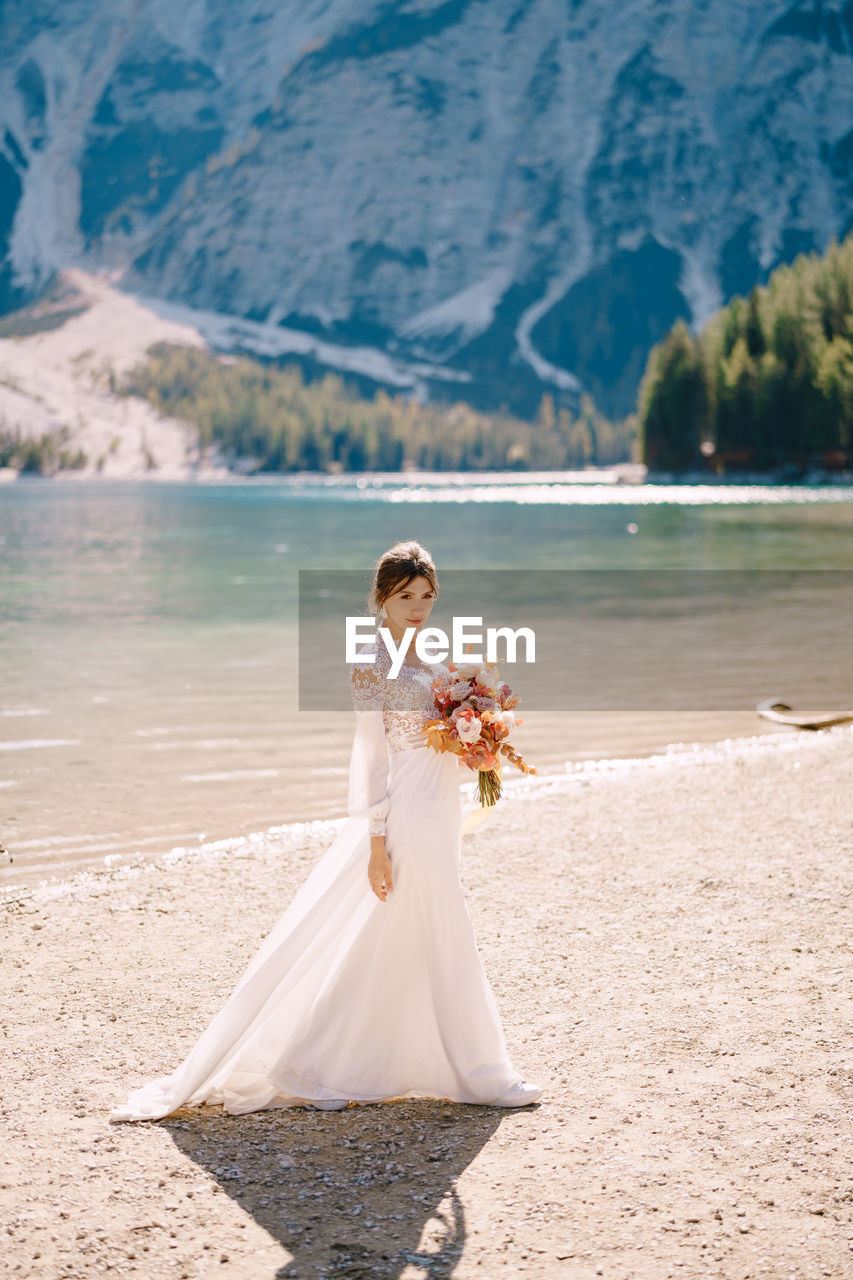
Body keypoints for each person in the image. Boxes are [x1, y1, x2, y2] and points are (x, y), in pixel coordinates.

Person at [110, 540, 541, 1121]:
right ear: (382, 599)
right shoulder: (371, 664)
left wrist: (476, 739)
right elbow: (371, 758)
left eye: (427, 596)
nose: (418, 607)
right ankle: (482, 1072)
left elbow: (436, 730)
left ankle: (358, 1061)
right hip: (409, 812)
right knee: (442, 922)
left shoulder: (433, 657)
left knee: (404, 933)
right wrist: (376, 843)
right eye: (405, 596)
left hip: (440, 806)